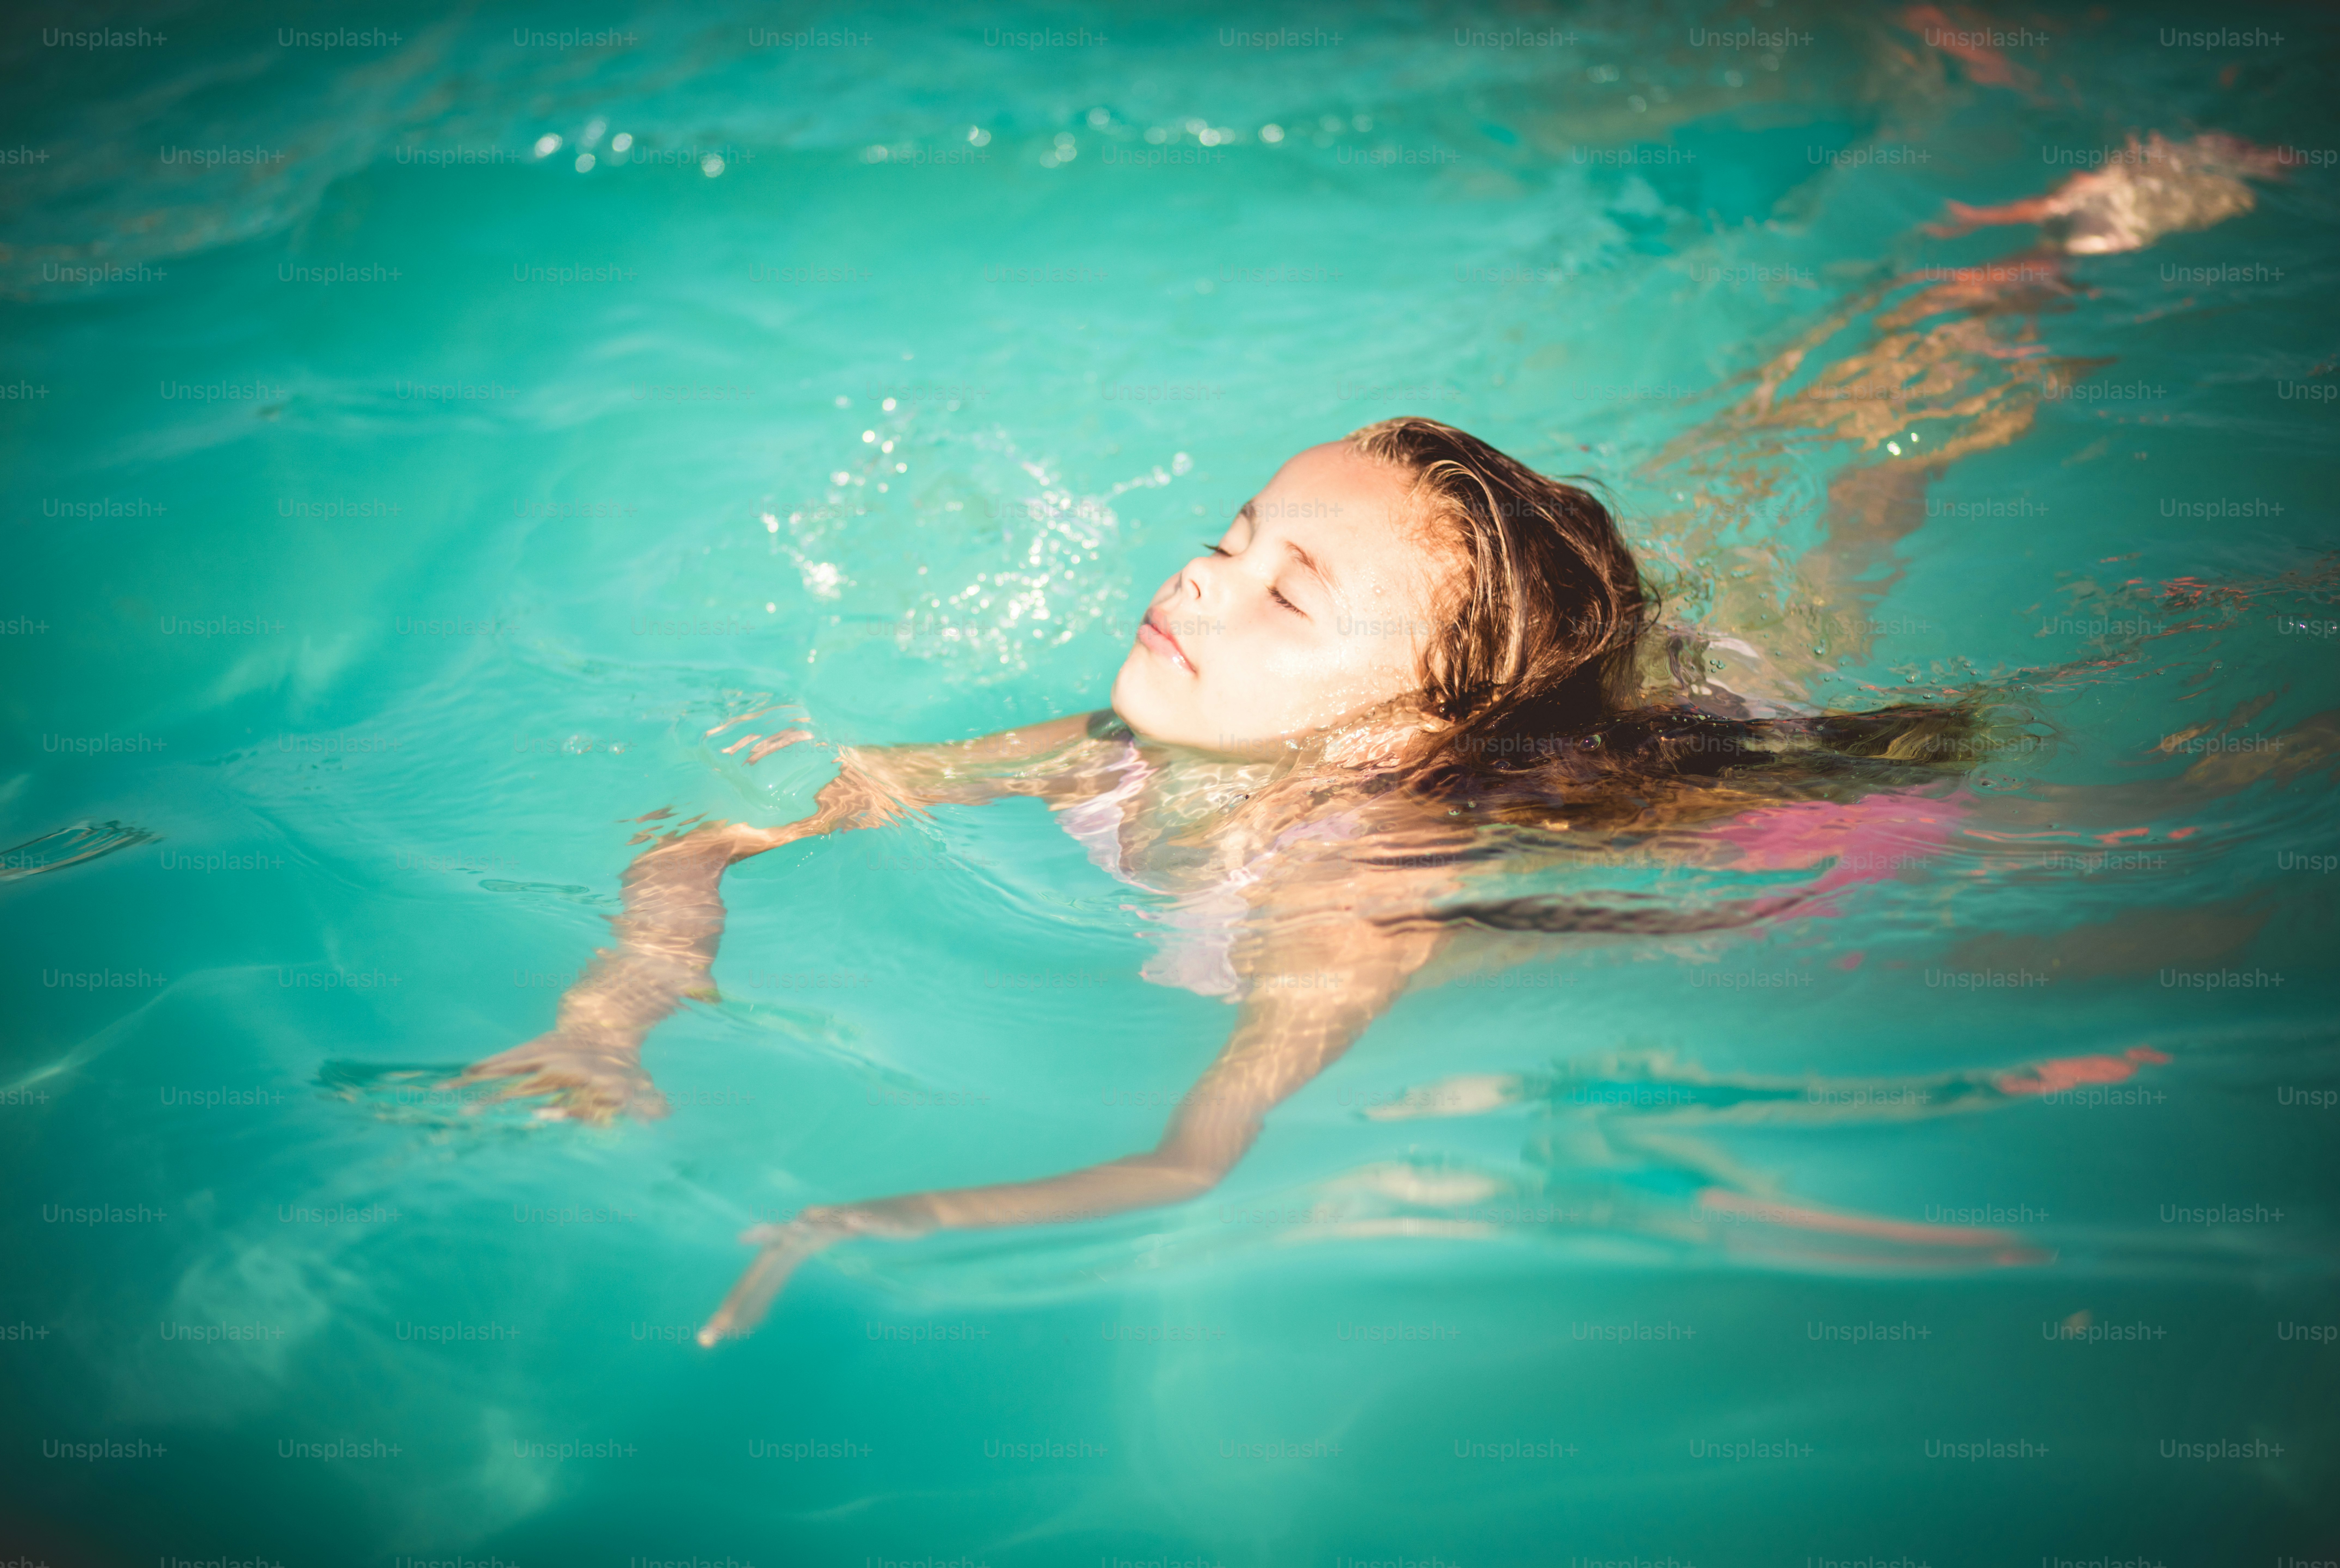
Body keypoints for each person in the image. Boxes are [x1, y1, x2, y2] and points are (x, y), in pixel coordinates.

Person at [445, 132, 2300, 1347]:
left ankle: (2059, 249)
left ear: (1407, 715)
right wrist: (606, 1018)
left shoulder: (1350, 890)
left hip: (1782, 826)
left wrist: (859, 1219)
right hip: (1533, 714)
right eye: (1234, 537)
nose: (1200, 577)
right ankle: (2021, 261)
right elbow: (724, 822)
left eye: (1280, 594)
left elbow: (1193, 1166)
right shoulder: (1099, 741)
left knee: (1959, 656)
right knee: (1812, 504)